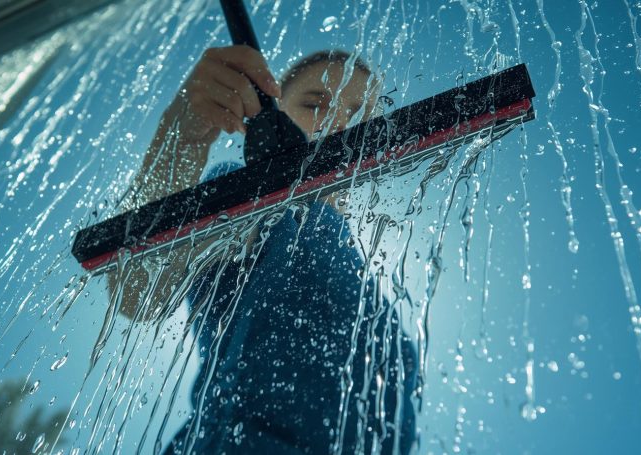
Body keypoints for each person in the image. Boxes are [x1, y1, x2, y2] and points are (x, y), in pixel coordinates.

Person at [111, 45, 417, 454]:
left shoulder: (352, 252)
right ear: (273, 117)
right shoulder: (248, 194)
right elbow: (137, 293)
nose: (340, 123)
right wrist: (179, 143)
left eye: (360, 114)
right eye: (315, 104)